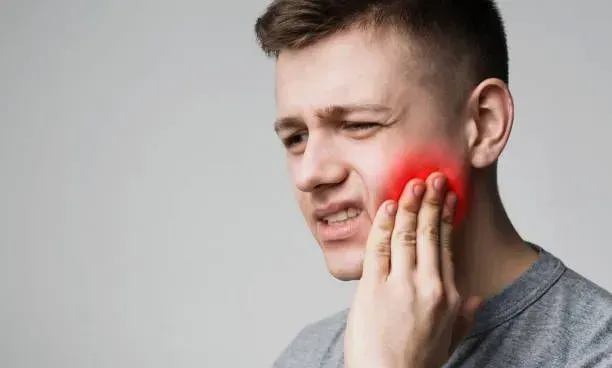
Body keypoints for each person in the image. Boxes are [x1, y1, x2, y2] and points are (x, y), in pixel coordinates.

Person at [253, 0, 612, 367]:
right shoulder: (304, 355)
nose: (309, 174)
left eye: (358, 125)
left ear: (484, 124)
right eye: (295, 138)